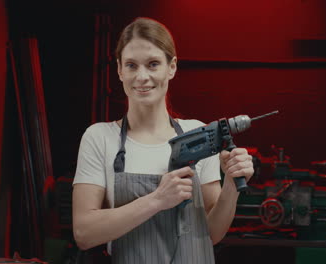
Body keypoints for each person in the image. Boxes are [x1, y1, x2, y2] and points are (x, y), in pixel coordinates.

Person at [72, 17, 254, 264]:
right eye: (132, 65)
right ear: (119, 70)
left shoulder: (198, 136)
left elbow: (211, 234)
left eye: (153, 64)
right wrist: (157, 200)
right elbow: (84, 233)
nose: (142, 76)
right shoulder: (100, 138)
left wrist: (231, 185)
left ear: (172, 67)